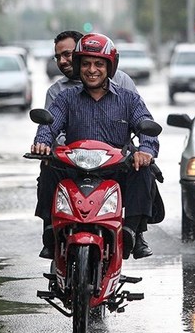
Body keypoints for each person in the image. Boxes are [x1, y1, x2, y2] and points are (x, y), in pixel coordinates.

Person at [32, 33, 159, 260]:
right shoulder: (66, 98)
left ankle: (132, 232)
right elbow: (49, 125)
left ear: (109, 67)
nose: (92, 70)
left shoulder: (129, 99)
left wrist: (146, 151)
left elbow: (145, 126)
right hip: (74, 170)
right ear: (79, 66)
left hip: (116, 170)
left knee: (144, 171)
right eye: (87, 64)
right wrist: (41, 143)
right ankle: (50, 231)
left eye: (99, 64)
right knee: (48, 166)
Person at [44, 30, 137, 109]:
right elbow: (50, 127)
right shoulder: (57, 93)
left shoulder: (122, 81)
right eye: (58, 57)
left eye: (67, 54)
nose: (62, 61)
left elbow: (141, 118)